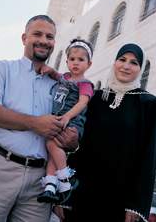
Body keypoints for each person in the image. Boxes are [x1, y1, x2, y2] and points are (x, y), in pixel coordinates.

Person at [0, 15, 79, 222]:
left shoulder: (59, 84)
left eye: (50, 36)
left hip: (41, 180)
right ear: (24, 38)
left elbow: (71, 121)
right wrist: (34, 123)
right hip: (0, 169)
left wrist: (72, 141)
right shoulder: (2, 69)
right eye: (37, 34)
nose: (44, 40)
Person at [55, 43, 156, 222]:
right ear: (114, 63)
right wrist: (64, 195)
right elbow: (78, 148)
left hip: (121, 200)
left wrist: (137, 205)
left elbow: (149, 158)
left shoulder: (148, 104)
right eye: (122, 60)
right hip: (83, 194)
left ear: (141, 69)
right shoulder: (95, 98)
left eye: (134, 62)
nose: (126, 66)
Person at [37, 38, 94, 204]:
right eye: (72, 59)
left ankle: (65, 178)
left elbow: (83, 102)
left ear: (89, 64)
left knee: (52, 145)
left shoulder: (85, 84)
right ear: (67, 61)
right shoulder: (65, 77)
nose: (76, 63)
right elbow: (56, 74)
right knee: (52, 150)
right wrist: (48, 70)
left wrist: (68, 116)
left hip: (72, 122)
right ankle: (50, 186)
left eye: (81, 60)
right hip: (58, 119)